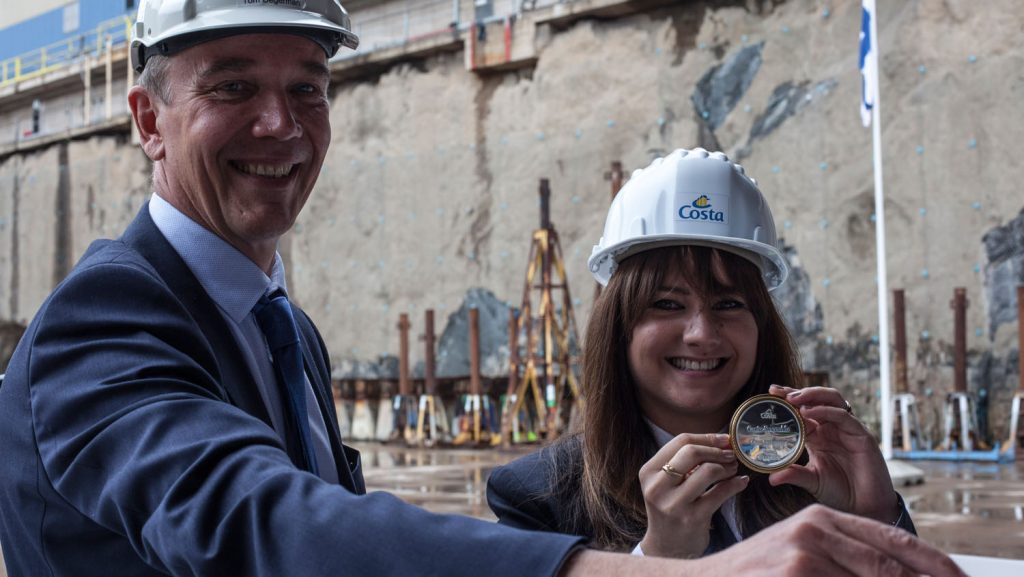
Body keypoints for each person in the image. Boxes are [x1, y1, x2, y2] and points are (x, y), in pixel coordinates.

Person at [0, 0, 963, 574]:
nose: (280, 124)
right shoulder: (105, 317)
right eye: (231, 87)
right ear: (147, 118)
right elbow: (261, 523)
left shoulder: (278, 328)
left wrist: (872, 515)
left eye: (307, 88)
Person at [488, 148, 917, 558]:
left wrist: (876, 519)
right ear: (619, 328)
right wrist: (657, 560)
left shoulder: (816, 475)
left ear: (761, 327)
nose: (700, 334)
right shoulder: (538, 498)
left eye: (729, 304)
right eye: (668, 305)